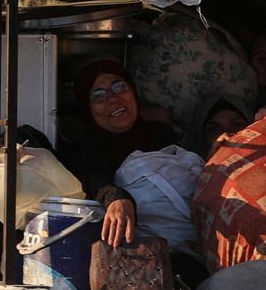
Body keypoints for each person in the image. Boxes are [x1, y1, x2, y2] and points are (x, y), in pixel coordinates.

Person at [54, 59, 175, 247]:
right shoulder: (83, 148)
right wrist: (116, 199)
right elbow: (96, 179)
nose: (112, 98)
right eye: (98, 96)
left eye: (119, 87)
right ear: (88, 109)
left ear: (133, 92)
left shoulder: (161, 135)